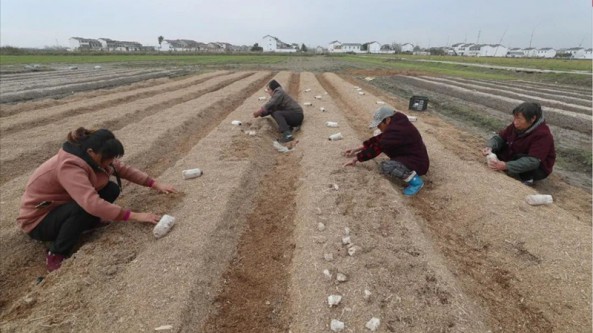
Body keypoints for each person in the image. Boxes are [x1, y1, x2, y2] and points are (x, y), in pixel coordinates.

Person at [17, 127, 177, 272]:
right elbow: (91, 202)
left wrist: (155, 184)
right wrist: (134, 216)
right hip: (39, 220)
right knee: (83, 207)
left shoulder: (92, 155)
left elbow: (123, 169)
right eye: (108, 158)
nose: (110, 162)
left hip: (62, 205)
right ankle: (56, 252)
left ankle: (86, 223)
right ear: (92, 152)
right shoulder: (69, 166)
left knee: (111, 189)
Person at [343, 106, 429, 196]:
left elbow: (376, 149)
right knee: (385, 148)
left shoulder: (396, 131)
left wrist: (356, 159)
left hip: (418, 162)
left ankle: (416, 182)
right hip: (412, 156)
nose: (379, 128)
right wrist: (357, 149)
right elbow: (379, 139)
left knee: (387, 166)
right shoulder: (397, 122)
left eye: (379, 125)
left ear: (387, 120)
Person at [481, 102, 555, 185]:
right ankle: (508, 166)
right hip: (515, 155)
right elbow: (500, 137)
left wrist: (506, 165)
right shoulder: (516, 126)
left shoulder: (543, 134)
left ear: (532, 119)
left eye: (519, 119)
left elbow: (533, 161)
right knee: (498, 148)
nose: (515, 122)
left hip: (536, 167)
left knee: (525, 161)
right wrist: (490, 146)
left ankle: (527, 180)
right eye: (515, 118)